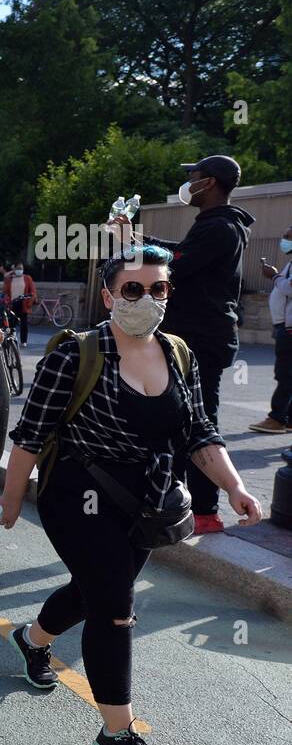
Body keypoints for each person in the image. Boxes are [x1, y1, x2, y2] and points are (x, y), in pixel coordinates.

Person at [0, 245, 261, 745]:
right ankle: (116, 732)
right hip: (77, 496)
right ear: (108, 295)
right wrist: (7, 499)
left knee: (94, 590)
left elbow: (198, 432)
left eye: (157, 288)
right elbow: (31, 434)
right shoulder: (76, 353)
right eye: (133, 289)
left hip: (145, 505)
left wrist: (234, 488)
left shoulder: (177, 352)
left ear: (169, 292)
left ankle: (33, 640)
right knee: (114, 605)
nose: (146, 298)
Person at [121, 156, 254, 534]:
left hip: (201, 339)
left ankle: (206, 509)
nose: (188, 183)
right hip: (197, 337)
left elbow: (176, 263)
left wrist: (135, 246)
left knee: (198, 420)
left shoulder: (221, 228)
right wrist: (137, 240)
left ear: (208, 183)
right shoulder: (215, 226)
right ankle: (178, 500)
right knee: (182, 418)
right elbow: (179, 253)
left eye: (192, 177)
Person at [252, 225, 292, 433]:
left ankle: (277, 418)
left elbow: (288, 288)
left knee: (285, 374)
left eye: (288, 236)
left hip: (289, 330)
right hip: (284, 327)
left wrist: (274, 276)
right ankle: (288, 418)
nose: (283, 240)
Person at [4, 261, 35, 347]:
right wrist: (10, 273)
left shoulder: (27, 278)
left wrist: (29, 303)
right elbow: (5, 290)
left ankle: (23, 341)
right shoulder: (10, 279)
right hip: (13, 303)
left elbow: (32, 292)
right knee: (11, 323)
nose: (19, 270)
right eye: (17, 268)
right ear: (14, 269)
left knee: (24, 323)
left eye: (21, 268)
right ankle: (11, 339)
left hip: (23, 302)